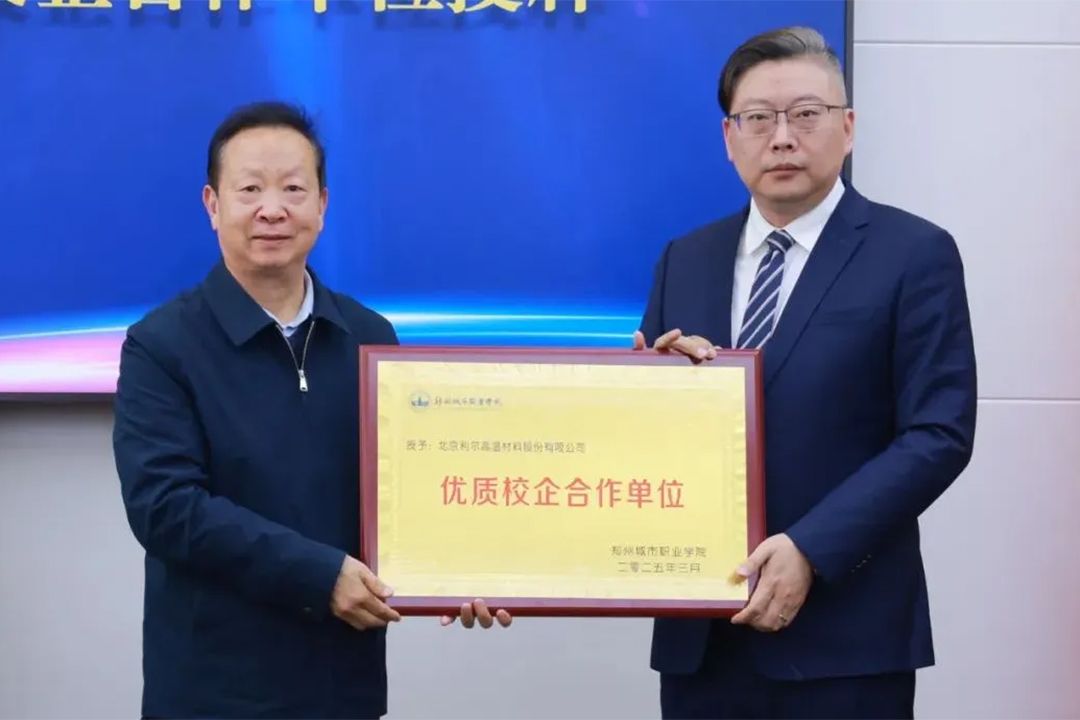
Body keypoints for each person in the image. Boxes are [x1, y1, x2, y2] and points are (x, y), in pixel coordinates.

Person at [112, 101, 508, 720]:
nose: (273, 209)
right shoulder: (162, 345)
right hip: (212, 689)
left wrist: (460, 571)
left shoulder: (370, 337)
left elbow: (412, 490)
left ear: (322, 205)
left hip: (340, 685)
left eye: (293, 189)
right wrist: (319, 575)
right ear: (212, 205)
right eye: (250, 189)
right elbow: (166, 509)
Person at [633, 26, 977, 719]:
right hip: (704, 639)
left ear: (847, 127)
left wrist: (810, 550)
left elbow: (938, 432)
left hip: (846, 637)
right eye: (759, 118)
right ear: (729, 138)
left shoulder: (914, 253)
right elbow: (648, 436)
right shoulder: (684, 259)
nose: (783, 138)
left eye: (806, 115)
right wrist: (647, 393)